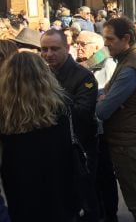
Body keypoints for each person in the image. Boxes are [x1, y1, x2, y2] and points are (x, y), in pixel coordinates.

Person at [0, 52, 76, 222]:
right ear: (43, 74)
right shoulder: (60, 104)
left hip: (18, 178)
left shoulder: (5, 110)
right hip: (58, 175)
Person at [96, 17, 136, 222]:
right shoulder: (127, 60)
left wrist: (105, 99)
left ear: (126, 38)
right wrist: (105, 97)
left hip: (127, 144)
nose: (106, 44)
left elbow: (102, 111)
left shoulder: (130, 68)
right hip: (127, 138)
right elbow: (105, 94)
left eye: (110, 39)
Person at [40, 29, 100, 221]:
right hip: (52, 147)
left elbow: (83, 112)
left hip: (80, 148)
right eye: (44, 49)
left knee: (84, 197)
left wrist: (54, 92)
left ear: (67, 48)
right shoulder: (42, 74)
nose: (49, 54)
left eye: (54, 49)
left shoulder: (84, 76)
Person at [76, 30, 119, 222]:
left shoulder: (107, 64)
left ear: (95, 47)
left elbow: (110, 98)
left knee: (104, 174)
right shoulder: (83, 65)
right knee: (90, 175)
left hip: (102, 131)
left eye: (82, 44)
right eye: (77, 43)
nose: (78, 47)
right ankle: (98, 211)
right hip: (85, 131)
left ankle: (110, 214)